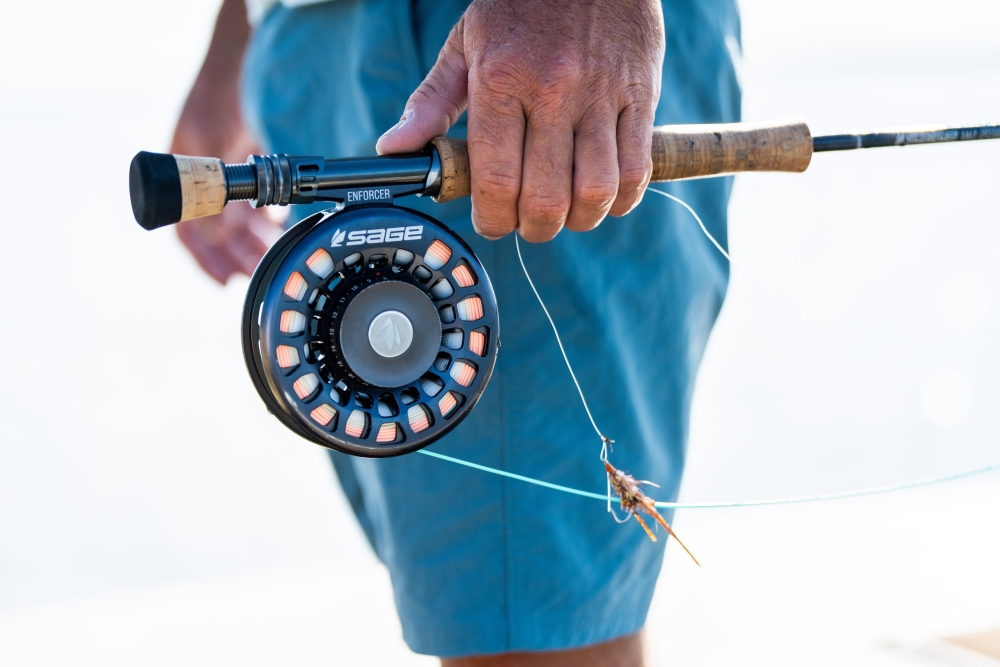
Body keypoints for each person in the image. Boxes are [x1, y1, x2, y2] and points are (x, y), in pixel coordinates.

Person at [171, 0, 740, 663]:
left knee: (524, 636)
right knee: (475, 605)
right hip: (319, 44)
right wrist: (238, 39)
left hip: (524, 53)